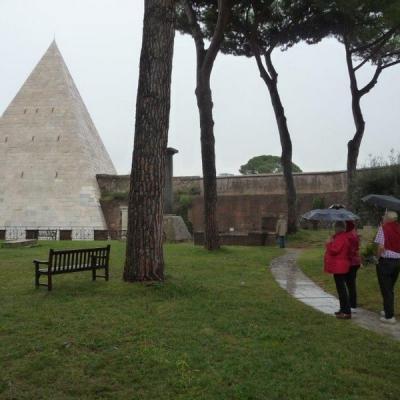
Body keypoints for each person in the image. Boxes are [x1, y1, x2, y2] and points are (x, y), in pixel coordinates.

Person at [374, 211, 400, 324]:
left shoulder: (383, 228)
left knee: (386, 288)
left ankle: (389, 316)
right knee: (390, 287)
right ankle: (386, 309)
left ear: (388, 219)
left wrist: (377, 258)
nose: (383, 217)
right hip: (398, 261)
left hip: (386, 262)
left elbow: (380, 247)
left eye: (384, 216)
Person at [324, 221, 351, 319]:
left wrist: (328, 243)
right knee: (340, 289)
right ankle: (342, 309)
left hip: (339, 266)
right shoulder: (341, 237)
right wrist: (332, 239)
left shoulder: (341, 237)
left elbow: (334, 250)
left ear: (339, 228)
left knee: (342, 290)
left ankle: (347, 311)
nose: (334, 229)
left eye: (335, 227)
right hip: (340, 265)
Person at [345, 221, 361, 313]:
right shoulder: (354, 234)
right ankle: (352, 303)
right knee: (351, 284)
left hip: (351, 262)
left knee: (349, 284)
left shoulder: (348, 236)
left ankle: (352, 304)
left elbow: (349, 250)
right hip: (356, 261)